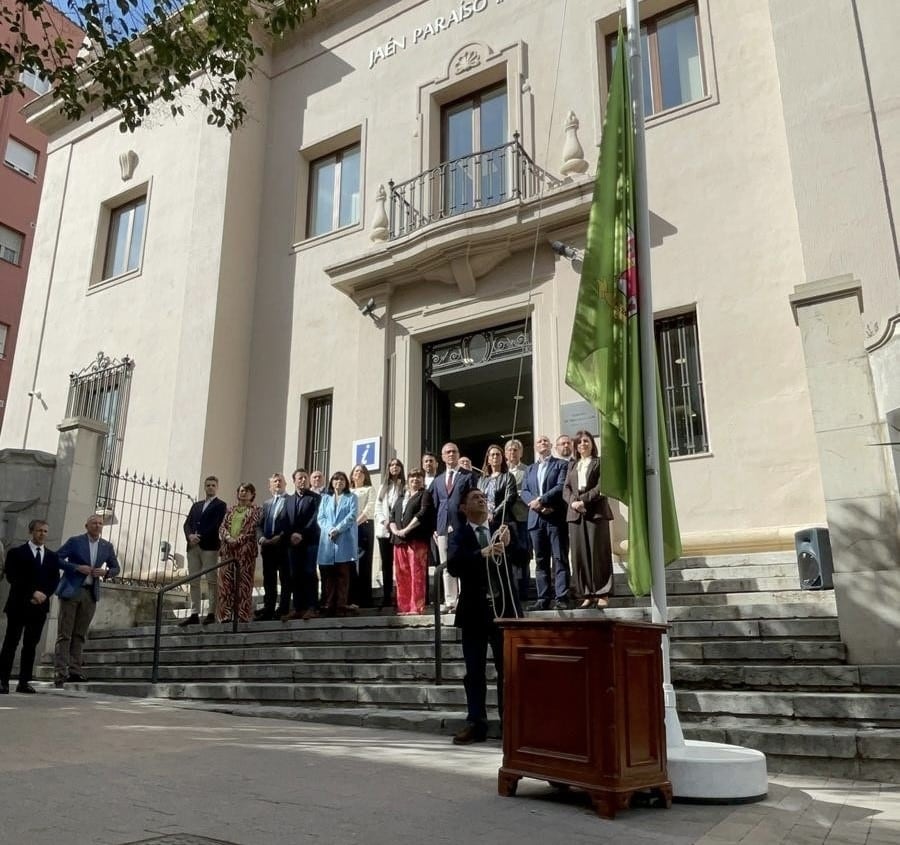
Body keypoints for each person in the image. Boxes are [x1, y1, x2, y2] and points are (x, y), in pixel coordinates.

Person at [447, 488, 517, 745]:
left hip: (503, 611)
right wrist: (481, 553)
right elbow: (453, 565)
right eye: (475, 498)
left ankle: (510, 722)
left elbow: (522, 556)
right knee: (474, 671)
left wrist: (510, 544)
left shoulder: (501, 529)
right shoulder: (461, 535)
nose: (481, 500)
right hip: (475, 612)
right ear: (464, 508)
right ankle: (476, 723)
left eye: (483, 498)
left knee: (507, 669)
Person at [54, 514, 121, 687]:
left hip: (90, 594)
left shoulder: (106, 546)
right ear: (87, 525)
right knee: (65, 634)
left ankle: (75, 671)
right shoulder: (75, 541)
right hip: (71, 591)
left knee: (80, 635)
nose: (98, 526)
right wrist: (76, 567)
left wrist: (106, 573)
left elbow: (116, 568)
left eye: (100, 523)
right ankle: (60, 673)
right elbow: (56, 558)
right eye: (94, 523)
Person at [0, 520, 60, 694]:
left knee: (31, 645)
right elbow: (12, 576)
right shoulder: (16, 553)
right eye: (39, 530)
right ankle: (2, 680)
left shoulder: (52, 556)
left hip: (39, 607)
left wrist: (44, 594)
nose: (42, 534)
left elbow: (54, 580)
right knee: (11, 643)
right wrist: (32, 593)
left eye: (45, 531)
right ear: (31, 532)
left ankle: (24, 682)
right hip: (18, 605)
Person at [563, 430, 615, 609]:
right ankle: (586, 593)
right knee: (579, 555)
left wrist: (582, 500)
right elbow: (566, 488)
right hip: (576, 515)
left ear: (592, 443)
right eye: (579, 442)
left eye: (586, 441)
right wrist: (573, 503)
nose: (583, 444)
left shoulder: (599, 463)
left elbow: (602, 486)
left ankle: (602, 593)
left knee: (598, 553)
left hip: (595, 513)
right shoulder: (572, 465)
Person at [522, 435, 570, 610]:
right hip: (536, 519)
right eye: (539, 441)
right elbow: (524, 491)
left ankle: (562, 597)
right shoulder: (530, 469)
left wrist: (541, 500)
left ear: (550, 445)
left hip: (555, 517)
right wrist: (538, 506)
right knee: (541, 561)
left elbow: (560, 486)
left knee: (559, 558)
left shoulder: (561, 464)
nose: (542, 443)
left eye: (545, 441)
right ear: (535, 447)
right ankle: (543, 598)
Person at [431, 441, 476, 613]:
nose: (451, 454)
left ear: (458, 454)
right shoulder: (438, 480)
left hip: (462, 526)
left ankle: (464, 599)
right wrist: (435, 528)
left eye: (454, 451)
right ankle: (450, 601)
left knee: (464, 563)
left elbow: (473, 500)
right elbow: (435, 505)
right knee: (446, 566)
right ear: (442, 457)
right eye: (447, 452)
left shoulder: (467, 475)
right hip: (443, 527)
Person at [180, 475, 227, 626]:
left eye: (213, 485)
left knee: (211, 580)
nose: (210, 487)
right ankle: (194, 613)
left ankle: (211, 613)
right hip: (193, 547)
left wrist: (199, 536)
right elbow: (187, 524)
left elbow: (216, 524)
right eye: (208, 485)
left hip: (210, 547)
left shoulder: (221, 505)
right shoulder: (196, 505)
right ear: (204, 487)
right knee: (193, 581)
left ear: (217, 487)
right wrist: (190, 536)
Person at [389, 469, 434, 614]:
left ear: (423, 480)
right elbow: (392, 517)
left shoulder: (424, 495)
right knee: (401, 575)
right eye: (412, 476)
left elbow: (423, 513)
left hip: (416, 540)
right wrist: (396, 531)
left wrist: (407, 529)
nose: (415, 479)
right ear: (408, 480)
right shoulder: (401, 498)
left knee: (417, 574)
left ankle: (416, 607)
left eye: (419, 477)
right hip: (399, 541)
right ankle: (404, 607)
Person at [216, 483, 262, 623]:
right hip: (228, 551)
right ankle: (225, 615)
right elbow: (222, 527)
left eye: (247, 491)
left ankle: (242, 614)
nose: (243, 493)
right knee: (226, 584)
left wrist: (238, 539)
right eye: (241, 491)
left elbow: (252, 528)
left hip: (245, 551)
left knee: (243, 584)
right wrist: (229, 538)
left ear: (252, 494)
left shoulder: (256, 510)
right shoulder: (230, 510)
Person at [316, 471, 358, 617]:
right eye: (335, 479)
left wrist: (338, 529)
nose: (338, 482)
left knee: (342, 574)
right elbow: (321, 518)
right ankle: (328, 605)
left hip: (343, 540)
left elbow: (352, 516)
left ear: (346, 482)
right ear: (331, 482)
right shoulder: (325, 498)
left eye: (341, 479)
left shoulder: (351, 497)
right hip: (328, 540)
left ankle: (341, 605)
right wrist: (330, 529)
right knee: (328, 575)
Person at [283, 468, 321, 621]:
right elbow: (284, 520)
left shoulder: (315, 498)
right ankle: (298, 607)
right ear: (294, 481)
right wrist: (291, 535)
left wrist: (302, 534)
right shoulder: (288, 500)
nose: (303, 480)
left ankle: (312, 606)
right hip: (293, 544)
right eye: (300, 478)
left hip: (310, 541)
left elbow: (315, 518)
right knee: (295, 575)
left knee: (309, 573)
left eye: (305, 477)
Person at [256, 473, 292, 621]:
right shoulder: (267, 504)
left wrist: (282, 536)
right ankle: (268, 609)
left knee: (285, 579)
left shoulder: (291, 500)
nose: (278, 484)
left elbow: (292, 521)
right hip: (268, 547)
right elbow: (259, 525)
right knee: (269, 580)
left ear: (285, 484)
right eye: (275, 482)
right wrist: (262, 538)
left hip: (283, 545)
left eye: (280, 481)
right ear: (270, 486)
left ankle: (283, 609)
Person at [374, 458, 406, 611]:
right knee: (386, 565)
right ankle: (387, 596)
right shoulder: (383, 486)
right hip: (385, 530)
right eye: (392, 465)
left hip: (399, 531)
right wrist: (384, 521)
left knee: (400, 565)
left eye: (397, 465)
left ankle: (401, 596)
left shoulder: (405, 487)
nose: (394, 467)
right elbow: (378, 508)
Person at [504, 438, 532, 602]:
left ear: (520, 452)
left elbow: (529, 491)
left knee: (523, 555)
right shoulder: (501, 471)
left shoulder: (527, 470)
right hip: (504, 519)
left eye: (515, 450)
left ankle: (523, 591)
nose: (512, 453)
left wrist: (518, 494)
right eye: (509, 450)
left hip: (522, 517)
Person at [349, 463, 376, 609]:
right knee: (350, 564)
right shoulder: (347, 491)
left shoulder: (369, 489)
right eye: (356, 471)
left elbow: (370, 508)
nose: (358, 473)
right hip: (348, 530)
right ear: (352, 475)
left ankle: (364, 600)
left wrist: (355, 524)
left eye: (361, 471)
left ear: (365, 475)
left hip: (363, 527)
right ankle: (351, 598)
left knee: (363, 562)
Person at [478, 444, 518, 532]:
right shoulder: (482, 479)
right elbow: (479, 498)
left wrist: (494, 513)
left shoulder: (508, 476)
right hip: (484, 520)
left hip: (503, 521)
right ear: (488, 459)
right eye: (492, 455)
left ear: (502, 458)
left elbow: (510, 497)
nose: (495, 456)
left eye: (498, 454)